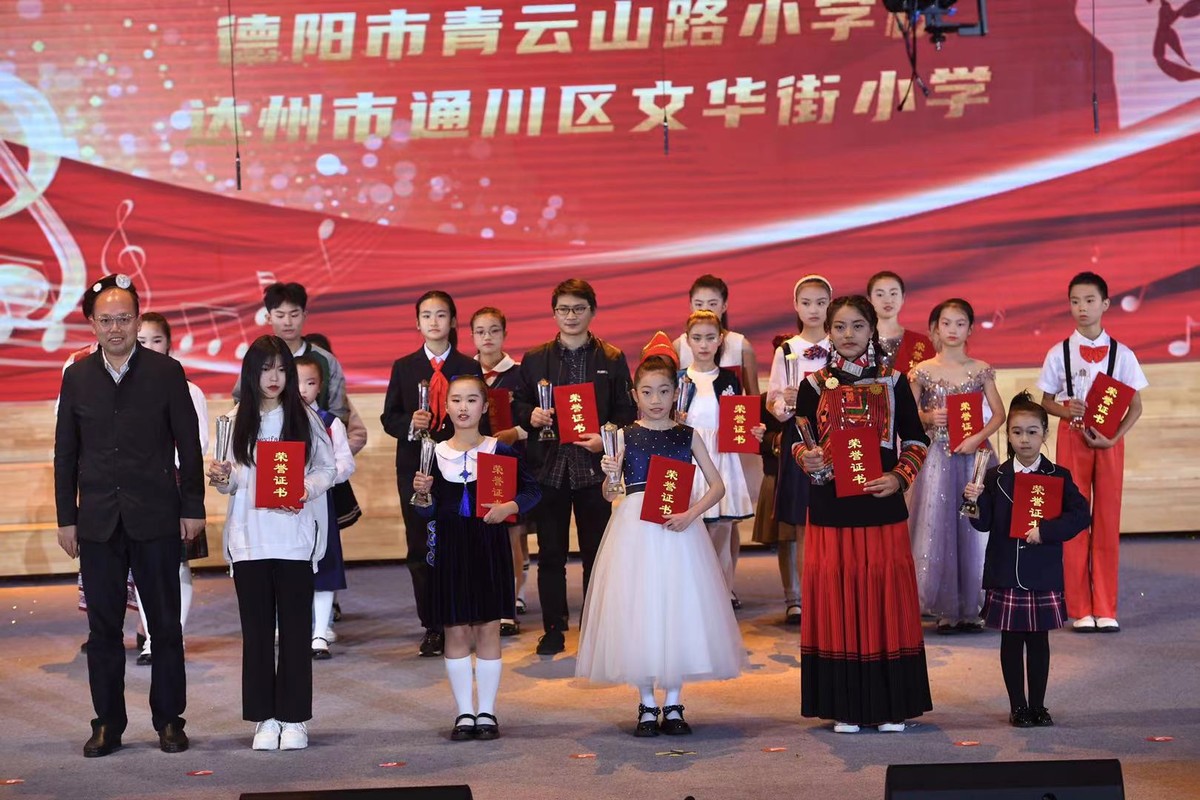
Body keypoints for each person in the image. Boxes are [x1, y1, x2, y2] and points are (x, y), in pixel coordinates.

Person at [54, 274, 205, 757]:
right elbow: (65, 453)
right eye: (106, 320)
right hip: (98, 520)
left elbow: (189, 446)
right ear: (92, 324)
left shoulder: (167, 372)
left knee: (165, 625)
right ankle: (107, 723)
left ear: (138, 321)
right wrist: (66, 517)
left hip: (157, 516)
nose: (115, 328)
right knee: (102, 630)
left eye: (123, 319)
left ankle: (170, 720)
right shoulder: (77, 376)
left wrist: (193, 507)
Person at [575, 354, 744, 736]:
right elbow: (610, 494)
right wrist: (609, 476)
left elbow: (717, 486)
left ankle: (674, 702)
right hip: (635, 530)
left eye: (664, 391)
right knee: (641, 609)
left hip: (678, 530)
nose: (656, 399)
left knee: (677, 608)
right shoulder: (623, 435)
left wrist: (691, 514)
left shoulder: (687, 435)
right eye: (648, 392)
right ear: (635, 394)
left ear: (676, 393)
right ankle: (647, 703)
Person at [792, 295, 932, 733]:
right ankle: (845, 706)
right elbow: (796, 440)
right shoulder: (813, 385)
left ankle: (892, 705)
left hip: (881, 506)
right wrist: (805, 457)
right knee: (837, 599)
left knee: (885, 597)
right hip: (831, 509)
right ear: (828, 332)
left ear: (872, 329)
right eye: (839, 326)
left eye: (857, 326)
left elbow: (917, 440)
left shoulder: (894, 382)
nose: (848, 334)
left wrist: (899, 478)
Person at [208, 336, 337, 751]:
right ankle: (264, 718)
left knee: (296, 633)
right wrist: (222, 478)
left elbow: (328, 469)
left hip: (295, 540)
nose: (274, 377)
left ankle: (294, 718)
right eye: (266, 369)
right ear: (251, 373)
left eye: (281, 369)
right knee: (258, 634)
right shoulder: (233, 421)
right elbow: (227, 480)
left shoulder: (305, 418)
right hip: (250, 542)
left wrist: (304, 488)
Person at [412, 375, 542, 740]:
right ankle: (463, 713)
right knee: (455, 629)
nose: (463, 407)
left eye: (472, 400)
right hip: (450, 548)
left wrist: (509, 507)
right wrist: (422, 494)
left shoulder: (500, 450)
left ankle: (486, 711)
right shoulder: (433, 453)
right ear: (446, 406)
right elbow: (425, 512)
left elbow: (533, 490)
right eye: (456, 400)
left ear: (485, 407)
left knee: (487, 628)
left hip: (489, 546)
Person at [511, 279, 637, 656]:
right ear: (554, 314)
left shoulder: (611, 358)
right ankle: (553, 628)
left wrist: (606, 437)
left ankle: (597, 627)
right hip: (549, 468)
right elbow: (518, 403)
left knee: (597, 553)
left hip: (593, 469)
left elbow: (625, 411)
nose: (571, 316)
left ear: (592, 312)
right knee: (551, 554)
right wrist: (531, 415)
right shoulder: (535, 358)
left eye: (578, 309)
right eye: (563, 309)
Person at [963, 393, 1090, 727]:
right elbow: (983, 523)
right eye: (1017, 432)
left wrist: (1046, 531)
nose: (1024, 439)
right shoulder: (994, 477)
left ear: (1045, 434)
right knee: (1011, 640)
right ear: (1008, 435)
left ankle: (1038, 706)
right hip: (1005, 570)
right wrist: (972, 501)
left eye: (1032, 432)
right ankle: (1018, 707)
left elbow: (1081, 515)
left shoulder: (1058, 476)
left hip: (1041, 572)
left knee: (1038, 640)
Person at [1036, 272, 1147, 633]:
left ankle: (1106, 607)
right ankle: (1080, 608)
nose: (1081, 308)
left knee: (1107, 520)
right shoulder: (1059, 352)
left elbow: (1136, 407)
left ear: (1105, 304)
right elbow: (1046, 402)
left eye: (1089, 300)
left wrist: (1114, 440)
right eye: (1075, 301)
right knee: (1074, 516)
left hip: (1108, 440)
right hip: (1073, 437)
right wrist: (1066, 410)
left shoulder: (1123, 354)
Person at [381, 291, 483, 657]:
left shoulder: (468, 366)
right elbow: (389, 417)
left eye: (441, 315)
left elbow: (482, 415)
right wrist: (411, 423)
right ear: (417, 323)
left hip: (461, 467)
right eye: (427, 315)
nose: (434, 321)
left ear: (453, 321)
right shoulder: (404, 366)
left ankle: (463, 618)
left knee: (463, 544)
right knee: (422, 548)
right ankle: (433, 626)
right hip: (416, 470)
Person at [907, 299, 1006, 633]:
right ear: (935, 328)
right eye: (946, 323)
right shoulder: (922, 370)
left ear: (970, 329)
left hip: (973, 456)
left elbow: (999, 414)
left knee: (973, 526)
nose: (952, 330)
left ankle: (974, 606)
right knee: (938, 526)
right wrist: (926, 416)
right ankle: (946, 608)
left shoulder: (980, 369)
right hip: (937, 458)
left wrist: (977, 438)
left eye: (960, 323)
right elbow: (906, 415)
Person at [131, 313, 211, 666]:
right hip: (137, 489)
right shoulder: (125, 386)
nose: (149, 347)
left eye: (156, 340)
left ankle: (173, 636)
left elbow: (199, 442)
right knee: (143, 565)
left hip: (175, 485)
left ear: (170, 344)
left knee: (178, 566)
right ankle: (152, 638)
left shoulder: (189, 389)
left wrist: (163, 465)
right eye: (142, 341)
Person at [764, 274, 834, 624]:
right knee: (803, 521)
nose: (813, 309)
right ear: (795, 305)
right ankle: (803, 598)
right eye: (806, 303)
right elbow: (773, 401)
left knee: (833, 517)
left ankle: (831, 594)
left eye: (821, 303)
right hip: (799, 437)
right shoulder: (787, 350)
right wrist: (788, 402)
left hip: (835, 436)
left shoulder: (840, 344)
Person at [676, 310, 757, 603]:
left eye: (710, 338)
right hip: (690, 460)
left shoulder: (729, 379)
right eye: (697, 338)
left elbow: (740, 419)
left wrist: (754, 430)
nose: (703, 344)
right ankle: (693, 597)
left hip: (723, 459)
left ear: (720, 339)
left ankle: (722, 595)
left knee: (722, 531)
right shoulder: (679, 380)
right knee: (691, 531)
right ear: (687, 340)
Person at [471, 306, 531, 637]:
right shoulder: (465, 372)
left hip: (509, 461)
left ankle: (511, 600)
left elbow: (533, 419)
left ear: (505, 334)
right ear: (471, 336)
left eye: (494, 331)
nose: (488, 337)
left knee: (512, 534)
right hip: (471, 462)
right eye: (481, 332)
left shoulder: (520, 374)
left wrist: (514, 434)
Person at [295, 355, 356, 660]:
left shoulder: (330, 422)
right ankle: (289, 625)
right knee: (289, 566)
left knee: (324, 564)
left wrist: (323, 477)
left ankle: (320, 630)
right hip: (284, 505)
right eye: (296, 382)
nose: (303, 389)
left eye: (310, 382)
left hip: (320, 503)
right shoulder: (274, 422)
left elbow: (346, 462)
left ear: (320, 387)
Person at [235, 283, 349, 423]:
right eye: (280, 315)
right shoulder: (256, 358)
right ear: (269, 318)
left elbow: (339, 412)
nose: (288, 322)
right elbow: (240, 400)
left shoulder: (326, 360)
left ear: (304, 315)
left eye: (294, 315)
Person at [673, 274, 760, 394]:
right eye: (698, 304)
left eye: (712, 304)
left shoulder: (741, 345)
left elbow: (753, 396)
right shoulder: (678, 346)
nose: (705, 309)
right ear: (691, 306)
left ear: (724, 306)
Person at [868, 271, 935, 372]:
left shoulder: (922, 342)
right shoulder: (860, 342)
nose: (888, 300)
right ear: (869, 300)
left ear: (903, 297)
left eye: (893, 293)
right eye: (880, 295)